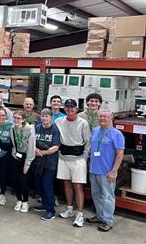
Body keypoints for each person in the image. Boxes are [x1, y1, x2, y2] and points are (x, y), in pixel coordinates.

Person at [55, 99, 91, 228]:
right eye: (67, 107)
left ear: (77, 109)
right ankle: (70, 209)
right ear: (64, 108)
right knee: (66, 183)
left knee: (78, 186)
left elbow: (88, 142)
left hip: (78, 159)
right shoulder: (58, 121)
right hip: (63, 158)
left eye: (72, 107)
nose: (70, 109)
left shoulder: (83, 123)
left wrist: (84, 159)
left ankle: (80, 214)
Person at [87, 109, 124, 232]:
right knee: (96, 195)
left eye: (105, 117)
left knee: (108, 196)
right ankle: (100, 216)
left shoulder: (116, 134)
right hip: (94, 170)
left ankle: (108, 220)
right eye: (100, 116)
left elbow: (120, 153)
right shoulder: (96, 130)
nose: (102, 118)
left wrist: (114, 170)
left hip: (107, 172)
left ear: (111, 118)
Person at [33, 108, 61, 221]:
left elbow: (56, 147)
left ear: (51, 117)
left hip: (50, 163)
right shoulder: (37, 128)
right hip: (39, 162)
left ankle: (50, 210)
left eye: (47, 116)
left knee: (47, 185)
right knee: (39, 184)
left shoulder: (55, 129)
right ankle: (44, 204)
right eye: (42, 116)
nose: (44, 118)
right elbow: (31, 140)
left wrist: (43, 152)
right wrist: (35, 149)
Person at [10, 110, 36, 213]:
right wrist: (14, 153)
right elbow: (13, 143)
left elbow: (31, 147)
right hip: (16, 156)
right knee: (15, 179)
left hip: (27, 157)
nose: (16, 120)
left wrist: (27, 163)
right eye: (15, 118)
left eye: (19, 118)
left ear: (23, 120)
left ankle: (25, 201)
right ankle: (19, 200)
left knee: (23, 180)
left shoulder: (29, 129)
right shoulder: (12, 129)